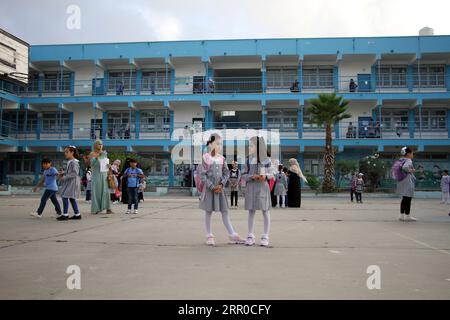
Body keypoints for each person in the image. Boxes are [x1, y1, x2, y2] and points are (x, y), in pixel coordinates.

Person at [198, 134, 244, 246]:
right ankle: (209, 235)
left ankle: (232, 234)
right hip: (210, 190)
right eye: (218, 143)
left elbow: (226, 173)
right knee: (208, 212)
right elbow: (202, 175)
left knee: (225, 211)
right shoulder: (205, 158)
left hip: (220, 189)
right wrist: (212, 186)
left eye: (221, 144)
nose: (220, 146)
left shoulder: (222, 158)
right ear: (211, 144)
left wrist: (221, 184)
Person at [242, 136, 274, 247]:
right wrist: (252, 176)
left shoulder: (267, 160)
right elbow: (243, 175)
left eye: (251, 145)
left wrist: (265, 176)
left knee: (265, 211)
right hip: (251, 187)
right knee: (251, 211)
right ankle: (250, 236)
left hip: (262, 187)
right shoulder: (247, 160)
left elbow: (272, 174)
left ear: (258, 146)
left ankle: (265, 236)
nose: (249, 147)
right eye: (249, 145)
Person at [86, 140, 113, 214]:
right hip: (96, 175)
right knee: (96, 192)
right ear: (95, 145)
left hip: (104, 175)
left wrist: (109, 167)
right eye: (98, 144)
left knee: (106, 192)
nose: (100, 146)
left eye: (101, 144)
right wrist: (97, 157)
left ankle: (108, 208)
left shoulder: (104, 154)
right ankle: (96, 209)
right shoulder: (92, 153)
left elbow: (106, 163)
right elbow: (91, 164)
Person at [57, 146, 81, 221]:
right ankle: (77, 214)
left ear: (72, 152)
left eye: (67, 152)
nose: (65, 153)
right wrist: (64, 173)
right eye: (65, 152)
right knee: (71, 198)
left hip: (72, 182)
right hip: (70, 181)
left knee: (65, 196)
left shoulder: (74, 162)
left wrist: (64, 177)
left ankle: (65, 214)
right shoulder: (70, 161)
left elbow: (74, 173)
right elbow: (71, 172)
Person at [397, 147, 417, 222]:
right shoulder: (408, 160)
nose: (412, 155)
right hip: (408, 181)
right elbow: (405, 168)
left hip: (402, 181)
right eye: (412, 153)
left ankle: (401, 215)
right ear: (408, 154)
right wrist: (412, 170)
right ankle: (407, 215)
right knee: (408, 199)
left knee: (404, 199)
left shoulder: (401, 159)